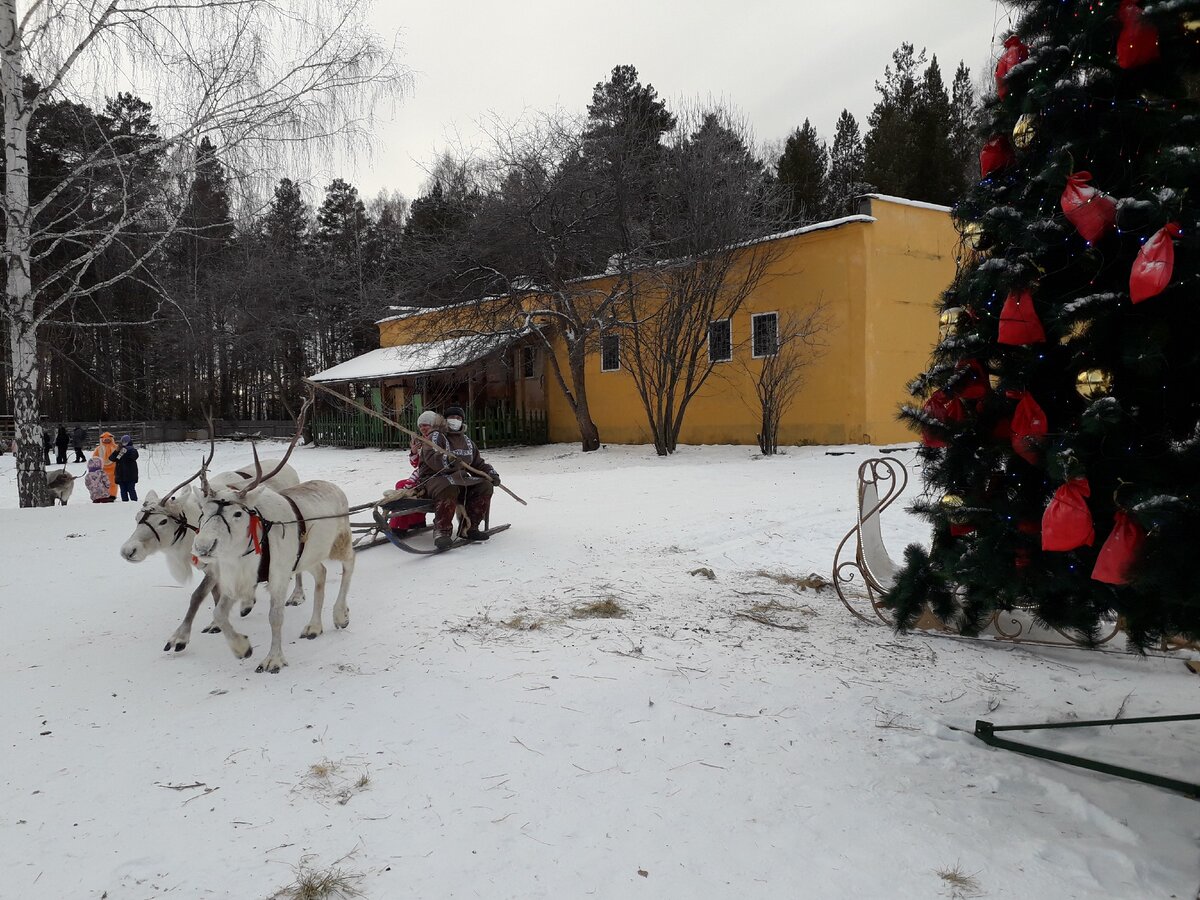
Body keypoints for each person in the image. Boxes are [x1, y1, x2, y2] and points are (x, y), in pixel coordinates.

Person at [417, 405, 500, 550]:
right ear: (445, 420)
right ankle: (442, 532)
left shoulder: (467, 441)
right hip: (434, 479)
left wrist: (491, 473)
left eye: (458, 418)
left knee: (484, 485)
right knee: (449, 487)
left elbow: (477, 463)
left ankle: (469, 528)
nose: (455, 420)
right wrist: (447, 461)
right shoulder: (436, 436)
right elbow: (432, 458)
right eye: (451, 418)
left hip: (460, 479)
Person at [388, 410, 435, 534]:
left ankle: (398, 526)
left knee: (403, 489)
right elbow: (416, 464)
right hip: (423, 476)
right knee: (401, 484)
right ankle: (416, 521)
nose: (422, 428)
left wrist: (413, 479)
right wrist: (414, 452)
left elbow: (429, 466)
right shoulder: (423, 440)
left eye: (426, 425)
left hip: (433, 478)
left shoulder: (436, 442)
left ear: (433, 425)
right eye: (420, 426)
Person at [111, 433, 140, 502]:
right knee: (123, 491)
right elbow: (112, 458)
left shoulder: (132, 450)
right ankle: (124, 505)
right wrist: (117, 451)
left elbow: (134, 457)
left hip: (130, 475)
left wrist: (127, 450)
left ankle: (134, 503)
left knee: (131, 490)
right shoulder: (121, 451)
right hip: (121, 475)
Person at [92, 431, 119, 500]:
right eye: (105, 439)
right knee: (103, 483)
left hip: (114, 468)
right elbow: (95, 458)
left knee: (113, 483)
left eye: (108, 439)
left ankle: (112, 495)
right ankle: (104, 495)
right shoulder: (99, 449)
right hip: (103, 469)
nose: (107, 441)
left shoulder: (116, 447)